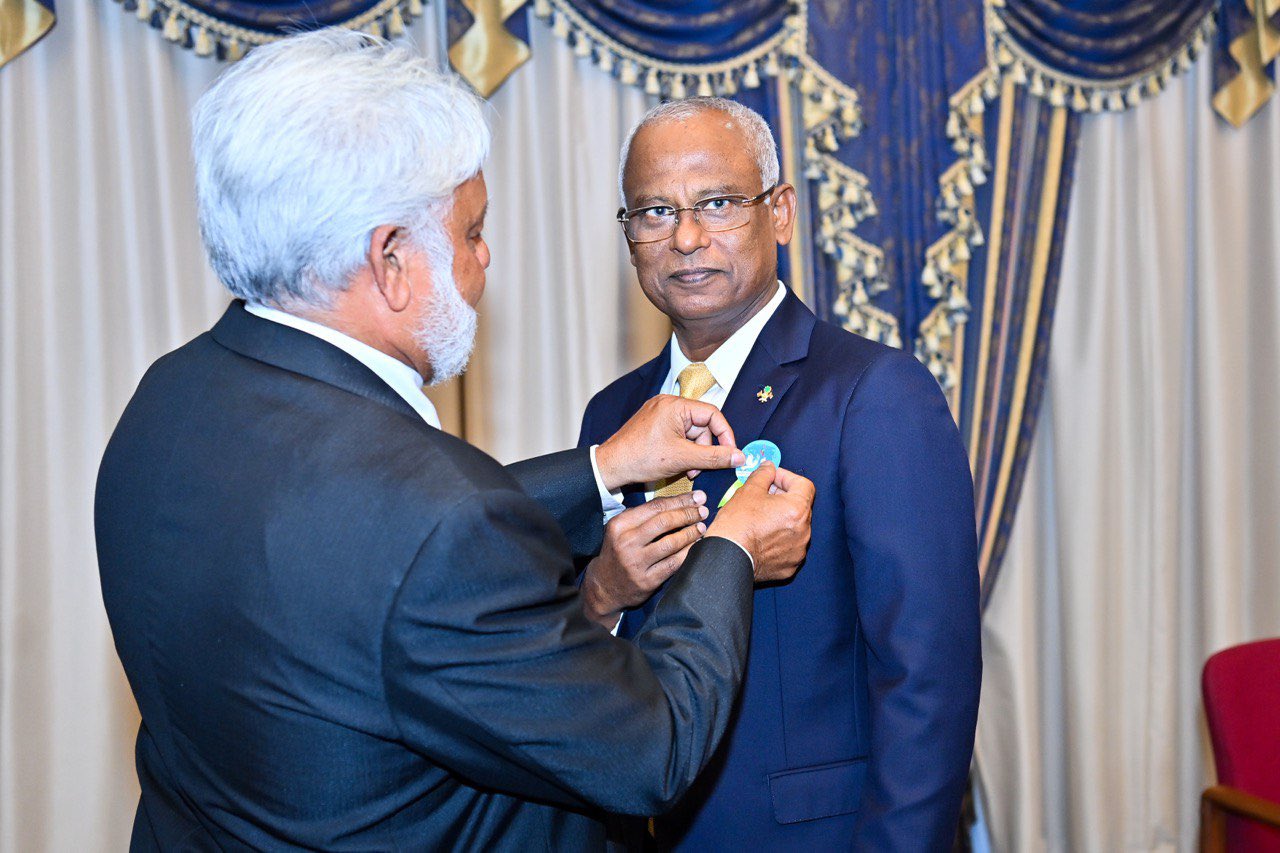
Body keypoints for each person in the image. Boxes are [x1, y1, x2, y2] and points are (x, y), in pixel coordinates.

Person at [94, 34, 815, 851]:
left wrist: (601, 469)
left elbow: (356, 530)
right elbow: (653, 749)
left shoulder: (170, 400)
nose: (484, 261)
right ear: (392, 262)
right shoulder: (434, 522)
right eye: (471, 232)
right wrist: (731, 549)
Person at [577, 97, 982, 850]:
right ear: (629, 235)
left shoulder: (873, 393)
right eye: (655, 211)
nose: (687, 238)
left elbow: (928, 680)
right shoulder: (613, 418)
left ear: (782, 212)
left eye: (719, 203)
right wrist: (600, 594)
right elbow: (594, 659)